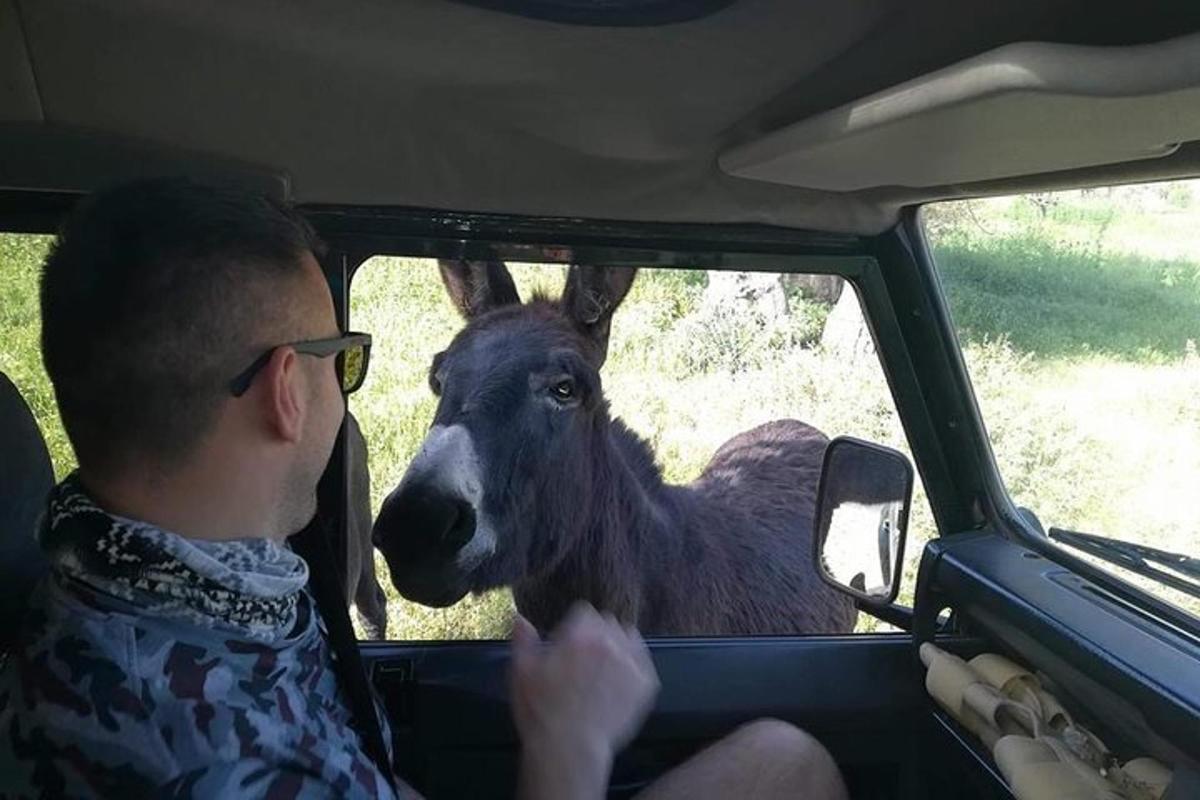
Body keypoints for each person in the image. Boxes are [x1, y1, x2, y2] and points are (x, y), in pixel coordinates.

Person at [0, 178, 848, 799]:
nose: (346, 387)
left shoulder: (153, 596)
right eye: (345, 360)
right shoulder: (207, 759)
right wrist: (569, 752)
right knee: (791, 762)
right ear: (289, 391)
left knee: (783, 757)